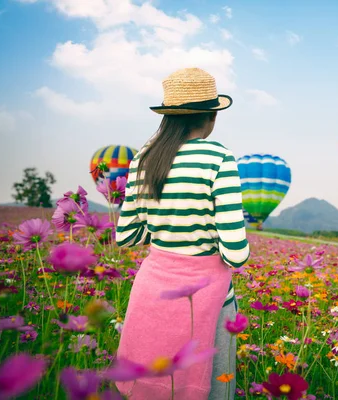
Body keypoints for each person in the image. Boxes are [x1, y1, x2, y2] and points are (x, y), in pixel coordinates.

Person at [114, 68, 250, 399]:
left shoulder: (144, 159)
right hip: (206, 298)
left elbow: (127, 235)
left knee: (147, 385)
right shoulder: (219, 157)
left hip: (151, 290)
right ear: (211, 115)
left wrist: (166, 228)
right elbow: (236, 253)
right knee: (209, 387)